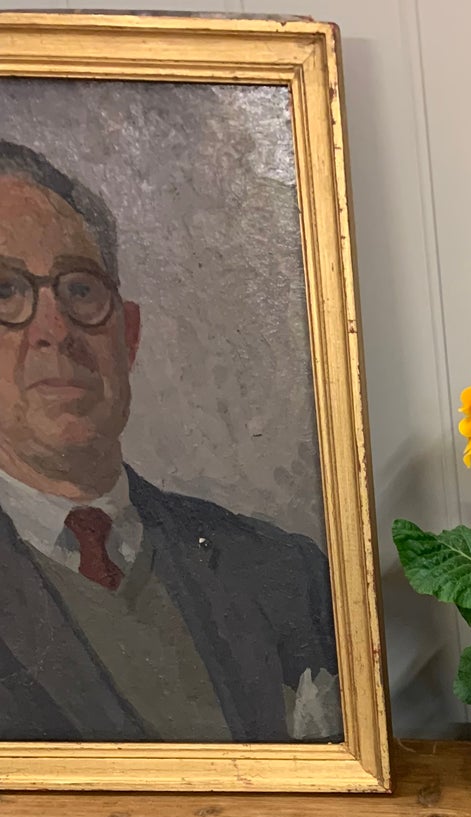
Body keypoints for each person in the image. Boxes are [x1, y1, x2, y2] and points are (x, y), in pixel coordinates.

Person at [0, 138, 340, 742]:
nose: (55, 330)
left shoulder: (284, 571)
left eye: (80, 290)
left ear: (126, 337)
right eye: (4, 291)